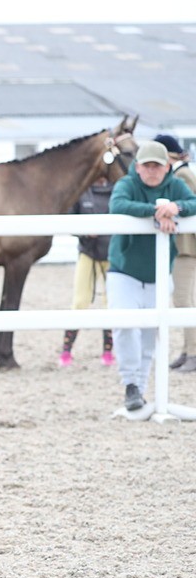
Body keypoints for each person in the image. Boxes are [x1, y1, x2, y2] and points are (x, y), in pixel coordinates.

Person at [107, 140, 196, 411]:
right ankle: (130, 384)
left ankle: (140, 388)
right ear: (137, 167)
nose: (152, 171)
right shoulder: (127, 183)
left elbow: (193, 202)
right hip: (124, 270)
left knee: (151, 332)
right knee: (124, 326)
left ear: (167, 166)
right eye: (146, 166)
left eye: (157, 166)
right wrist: (158, 211)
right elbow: (117, 205)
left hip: (159, 271)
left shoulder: (175, 184)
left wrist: (176, 208)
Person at [60, 178, 115, 367]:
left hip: (111, 254)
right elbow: (69, 219)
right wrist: (84, 231)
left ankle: (108, 351)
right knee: (80, 301)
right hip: (88, 252)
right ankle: (66, 350)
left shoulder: (117, 189)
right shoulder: (82, 190)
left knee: (111, 304)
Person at [155, 134, 196, 372]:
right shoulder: (183, 173)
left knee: (183, 300)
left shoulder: (181, 176)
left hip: (187, 247)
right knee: (186, 299)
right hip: (184, 246)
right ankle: (187, 349)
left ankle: (193, 352)